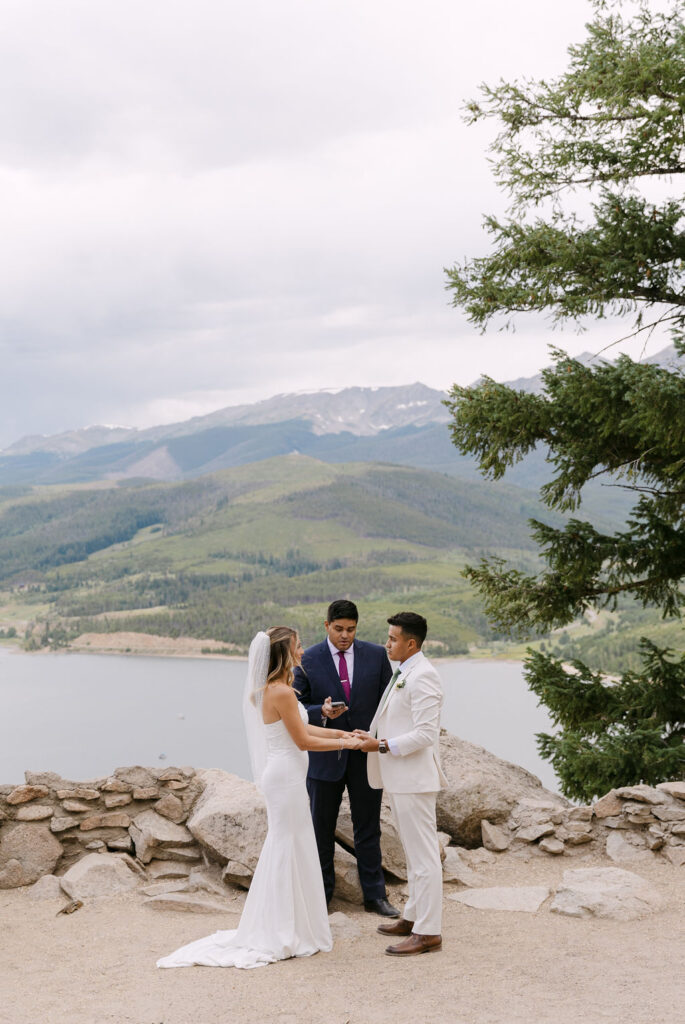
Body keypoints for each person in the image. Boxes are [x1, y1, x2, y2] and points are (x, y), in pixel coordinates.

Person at [157, 626, 363, 970]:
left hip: (286, 776)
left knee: (292, 843)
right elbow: (303, 741)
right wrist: (348, 744)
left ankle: (292, 923)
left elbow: (304, 728)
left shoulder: (275, 690)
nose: (302, 652)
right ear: (284, 652)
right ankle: (282, 927)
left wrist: (342, 732)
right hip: (285, 778)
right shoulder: (281, 692)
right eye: (298, 646)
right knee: (286, 844)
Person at [294, 599, 398, 917]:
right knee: (320, 829)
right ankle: (322, 897)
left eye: (351, 630)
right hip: (324, 757)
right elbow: (296, 707)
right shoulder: (308, 658)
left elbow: (389, 702)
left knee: (368, 827)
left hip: (365, 755)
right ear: (327, 626)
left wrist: (382, 742)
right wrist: (321, 711)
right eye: (338, 629)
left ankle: (375, 896)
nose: (344, 635)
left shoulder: (376, 655)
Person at [355, 611, 446, 957]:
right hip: (401, 777)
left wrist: (379, 745)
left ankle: (428, 932)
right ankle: (412, 916)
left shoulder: (424, 676)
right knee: (412, 854)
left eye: (393, 639)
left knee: (424, 858)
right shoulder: (405, 671)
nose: (387, 644)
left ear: (411, 643)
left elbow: (425, 734)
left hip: (414, 779)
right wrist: (372, 735)